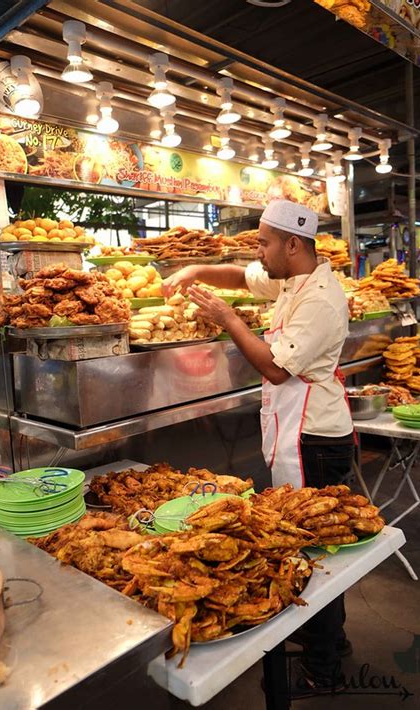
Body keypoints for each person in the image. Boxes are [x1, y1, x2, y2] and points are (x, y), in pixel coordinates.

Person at [163, 200, 354, 697]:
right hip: (298, 430)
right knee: (310, 546)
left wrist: (228, 319)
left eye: (264, 242)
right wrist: (196, 269)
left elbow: (274, 367)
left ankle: (323, 666)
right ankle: (332, 643)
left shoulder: (321, 300)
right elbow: (243, 277)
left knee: (313, 551)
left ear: (293, 245)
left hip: (315, 440)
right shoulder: (294, 278)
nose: (257, 251)